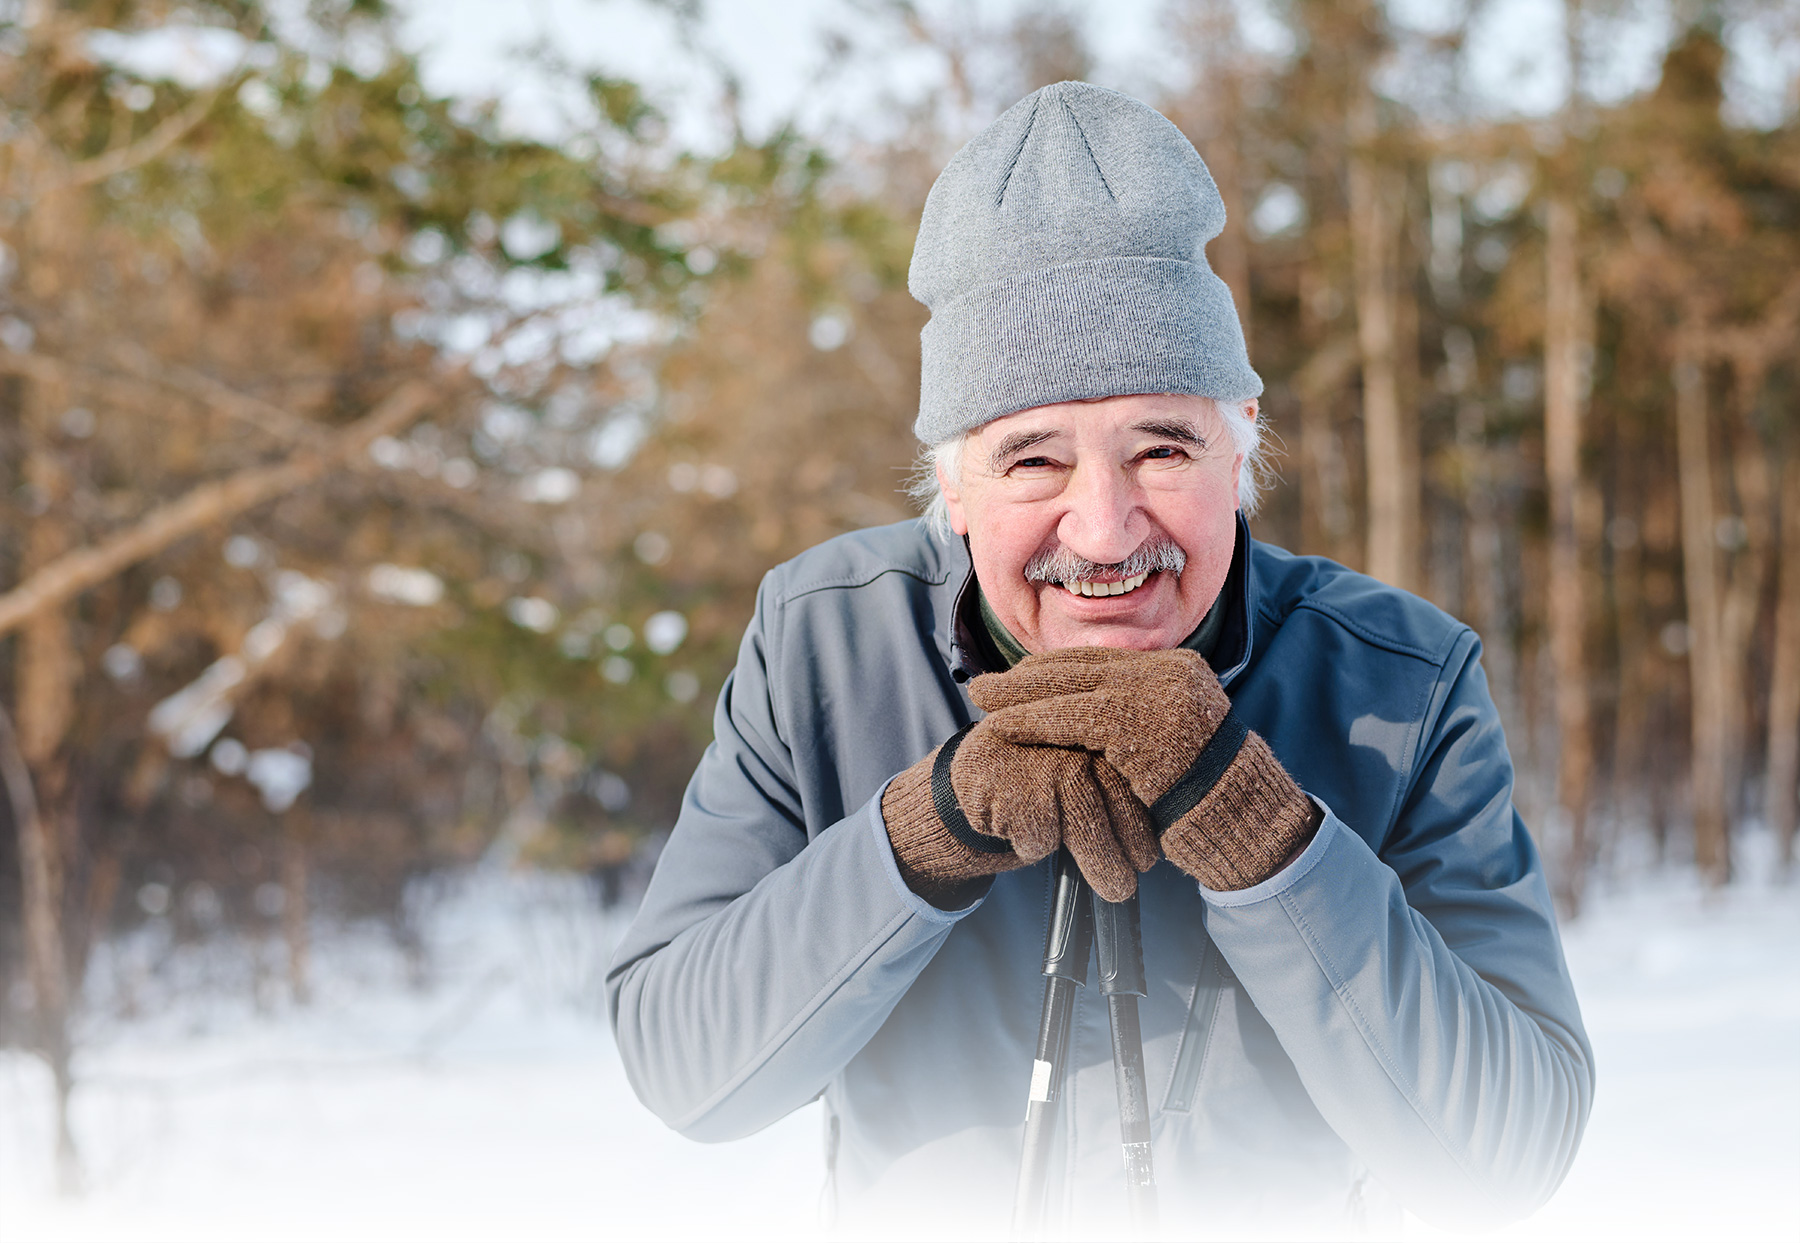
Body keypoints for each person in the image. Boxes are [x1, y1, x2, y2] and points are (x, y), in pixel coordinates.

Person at [606, 81, 1592, 1240]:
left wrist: (1266, 840)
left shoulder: (1400, 683)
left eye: (1163, 445)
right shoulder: (827, 640)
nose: (1107, 530)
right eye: (1034, 460)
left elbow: (1512, 1152)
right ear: (955, 489)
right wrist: (926, 829)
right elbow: (687, 1071)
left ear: (1240, 452)